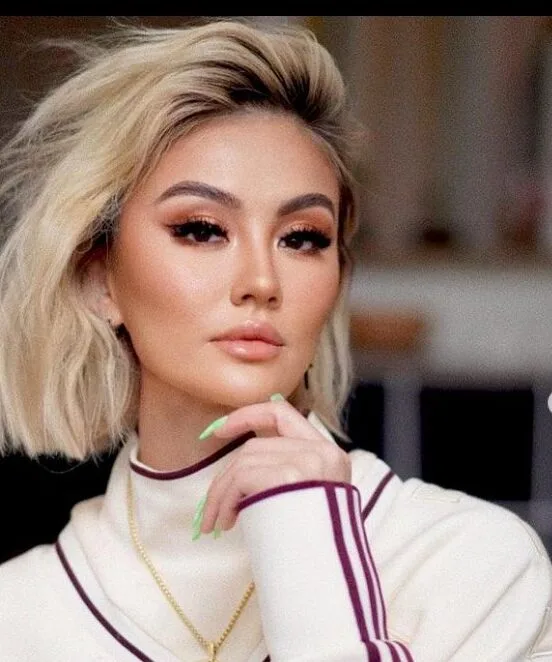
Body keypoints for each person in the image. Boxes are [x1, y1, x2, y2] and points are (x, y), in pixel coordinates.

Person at [0, 17, 549, 662]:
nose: (261, 281)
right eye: (201, 229)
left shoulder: (471, 564)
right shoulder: (21, 613)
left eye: (303, 238)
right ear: (100, 280)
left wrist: (305, 542)